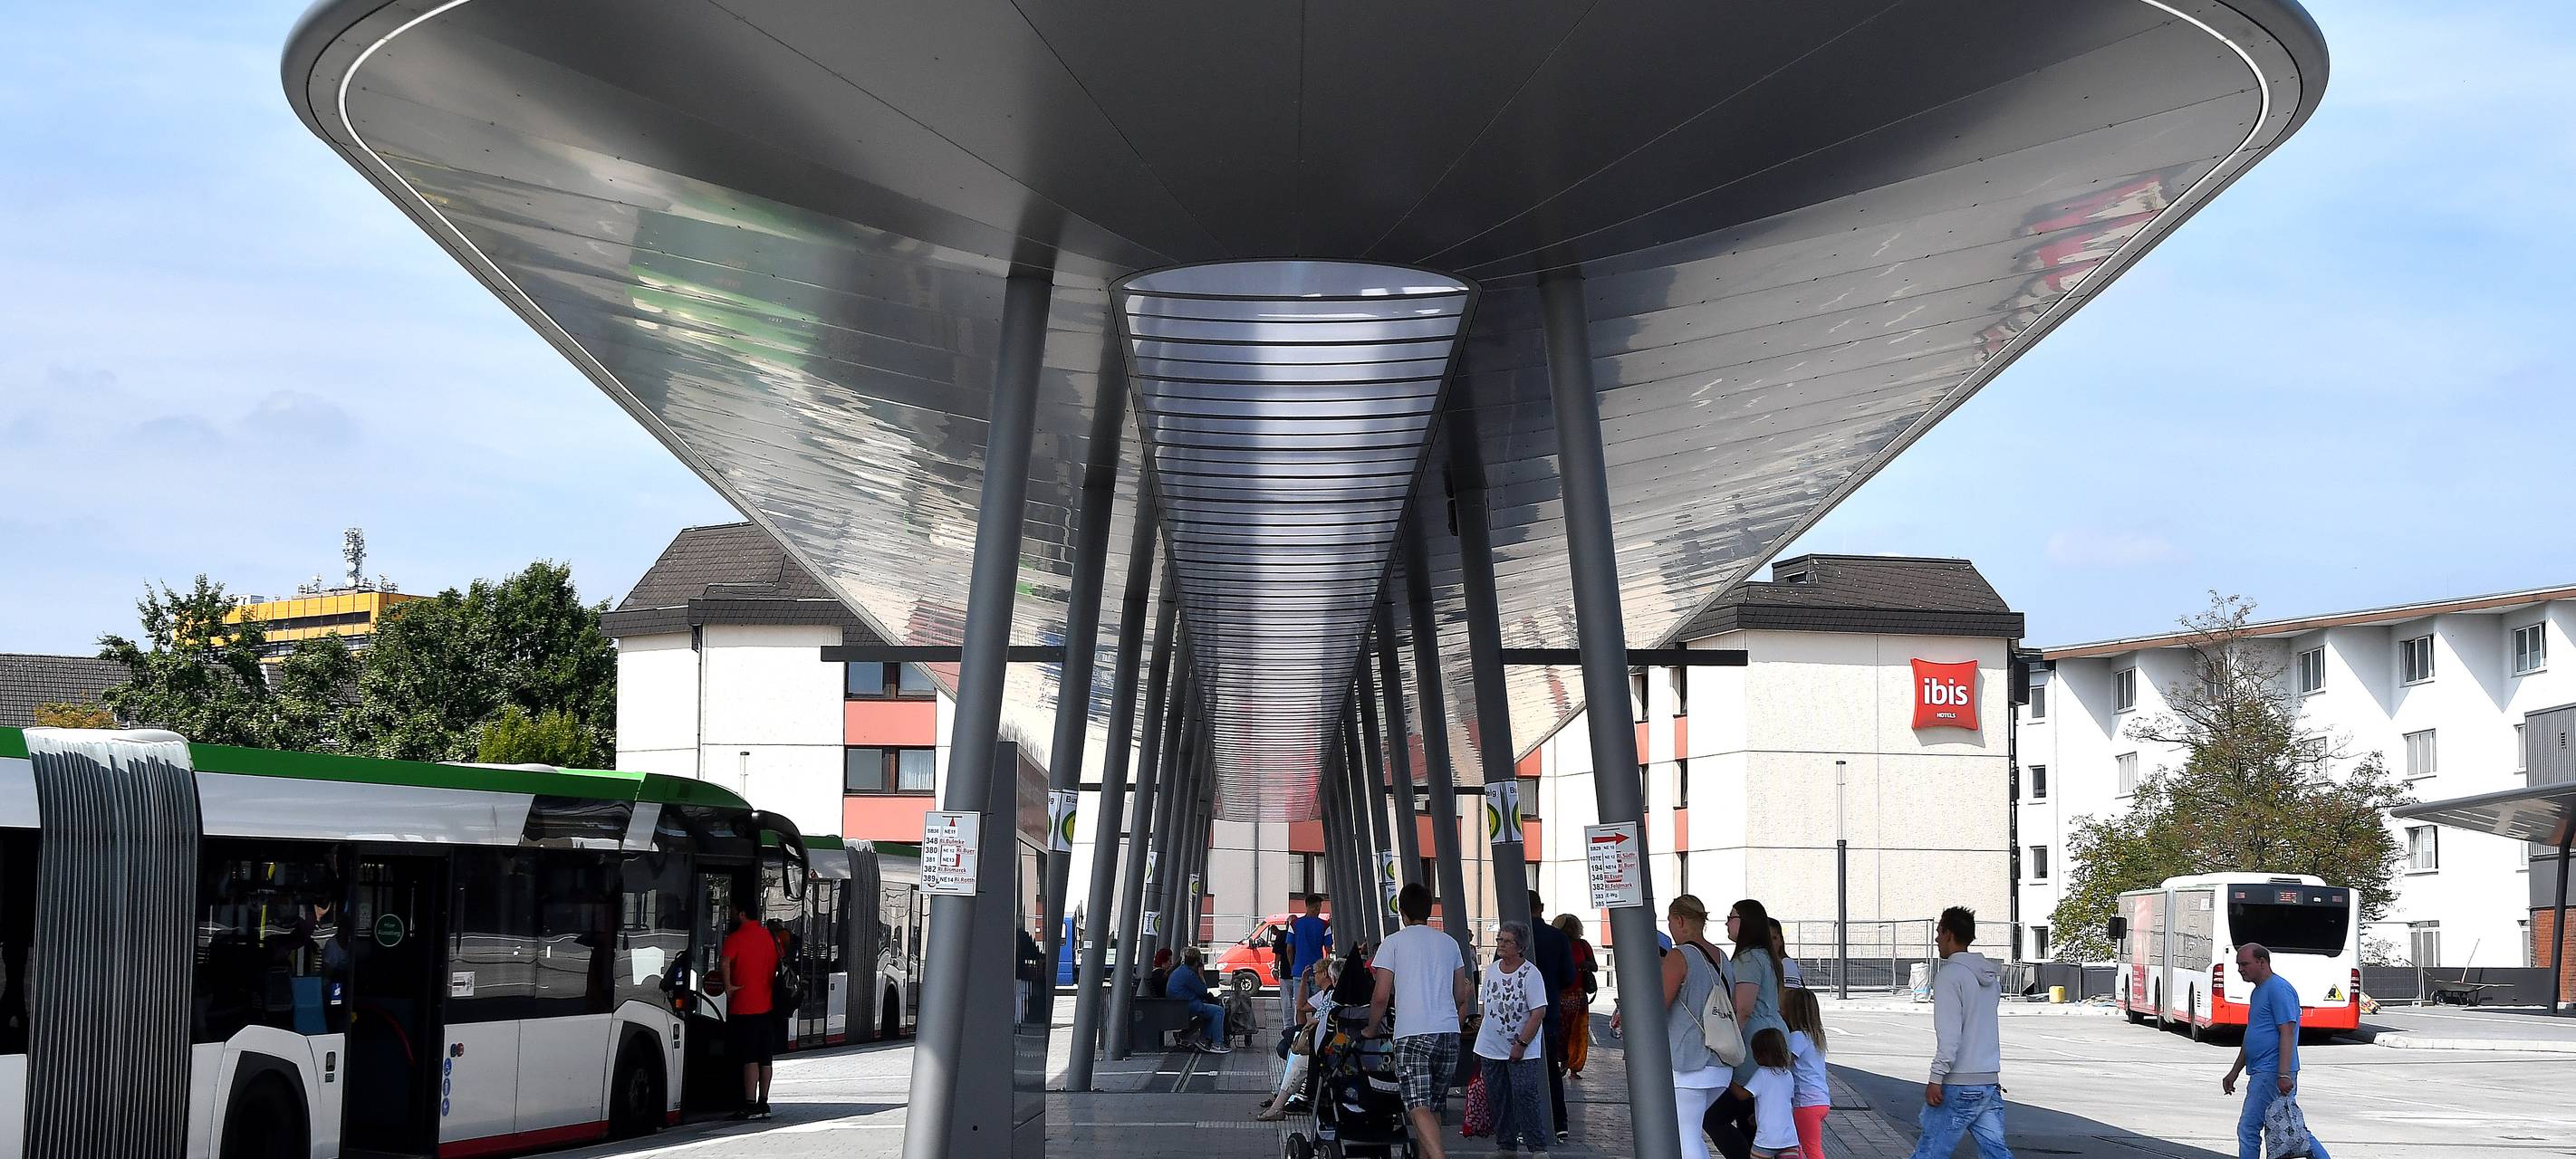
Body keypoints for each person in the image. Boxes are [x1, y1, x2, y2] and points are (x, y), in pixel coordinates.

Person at [1365, 882, 1468, 1159]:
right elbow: (1461, 993)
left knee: (1417, 1105)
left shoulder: (1394, 943)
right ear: (1429, 909)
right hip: (1447, 1033)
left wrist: (1372, 1028)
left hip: (1412, 1034)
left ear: (1402, 912)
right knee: (1433, 1106)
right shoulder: (1450, 943)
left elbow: (1380, 996)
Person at [1906, 906, 2010, 1159]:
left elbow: (1950, 1035)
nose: (1936, 939)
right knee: (1995, 1152)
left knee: (1930, 1152)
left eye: (1939, 932)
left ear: (1949, 934)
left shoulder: (1950, 976)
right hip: (1988, 1080)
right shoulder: (1989, 977)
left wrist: (1936, 1077)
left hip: (1959, 1083)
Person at [2224, 943, 2328, 1159]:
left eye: (2244, 964)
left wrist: (2283, 1074)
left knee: (2249, 1127)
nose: (2240, 969)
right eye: (2238, 965)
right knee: (2291, 1127)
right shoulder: (2259, 991)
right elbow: (2252, 1036)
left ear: (2262, 962)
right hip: (2264, 1070)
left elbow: (2287, 1032)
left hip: (2272, 1072)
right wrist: (2234, 1071)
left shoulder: (2278, 988)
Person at [1706, 898, 1789, 1159]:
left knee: (1715, 1119)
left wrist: (1728, 1046)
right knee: (1749, 1118)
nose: (1727, 923)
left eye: (1732, 917)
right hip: (1770, 1038)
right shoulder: (1765, 955)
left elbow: (1743, 1008)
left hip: (1754, 1044)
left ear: (1746, 923)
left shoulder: (1748, 958)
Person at [1661, 894, 1732, 1159]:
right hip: (1720, 1062)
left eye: (1669, 922)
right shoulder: (1722, 956)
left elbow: (1659, 1006)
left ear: (1679, 920)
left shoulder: (1679, 956)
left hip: (1687, 1061)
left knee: (1684, 1134)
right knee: (1690, 1132)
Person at [1476, 921, 1554, 1158]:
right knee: (1497, 1096)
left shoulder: (1531, 974)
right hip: (1491, 1046)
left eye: (1507, 941)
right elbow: (1485, 1005)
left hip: (1520, 1047)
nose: (1501, 944)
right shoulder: (1491, 970)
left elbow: (1538, 1012)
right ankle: (1506, 1145)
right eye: (1500, 939)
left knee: (1525, 1093)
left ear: (1519, 946)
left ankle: (1537, 1147)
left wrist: (1521, 1043)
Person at [717, 897, 780, 1120]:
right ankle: (764, 1103)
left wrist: (728, 986)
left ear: (742, 914)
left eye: (734, 910)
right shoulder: (768, 937)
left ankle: (749, 1104)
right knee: (765, 1058)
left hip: (745, 1006)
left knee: (749, 1057)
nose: (732, 914)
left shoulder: (735, 939)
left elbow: (724, 962)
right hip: (768, 1005)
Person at [1257, 955, 1340, 1120]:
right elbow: (1301, 1009)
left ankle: (1279, 1105)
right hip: (1346, 1050)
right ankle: (1282, 1101)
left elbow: (1311, 1022)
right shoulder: (1345, 996)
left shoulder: (1333, 996)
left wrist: (1305, 1032)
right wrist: (1303, 982)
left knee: (1295, 1055)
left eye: (1316, 973)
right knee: (1292, 1048)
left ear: (1328, 975)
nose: (1313, 976)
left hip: (1331, 1051)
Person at [1526, 890, 1576, 1141]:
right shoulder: (1558, 938)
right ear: (1542, 907)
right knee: (1551, 1070)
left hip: (1519, 1016)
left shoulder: (1515, 938)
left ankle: (1525, 1123)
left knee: (1520, 1072)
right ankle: (1559, 1122)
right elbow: (1569, 976)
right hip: (1549, 1011)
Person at [1780, 987, 1831, 1159]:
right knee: (1799, 1146)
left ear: (1793, 1012)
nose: (1780, 1010)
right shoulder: (1815, 1036)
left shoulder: (1798, 1037)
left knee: (1811, 1148)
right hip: (1820, 1100)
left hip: (1805, 1102)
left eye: (1784, 1007)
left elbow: (1784, 1063)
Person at [1743, 1029, 1802, 1159]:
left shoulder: (1762, 1074)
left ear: (1760, 1054)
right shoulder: (1788, 1075)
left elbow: (1742, 1095)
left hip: (1766, 1141)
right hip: (1789, 1140)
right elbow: (1782, 1102)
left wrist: (1730, 1079)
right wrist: (1758, 1115)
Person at [1552, 914, 1597, 1078]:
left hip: (1578, 995)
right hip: (1561, 995)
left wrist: (1585, 965)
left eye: (1572, 926)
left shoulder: (1582, 945)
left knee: (1578, 1032)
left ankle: (1574, 1065)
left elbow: (1594, 966)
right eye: (1567, 926)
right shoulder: (1555, 944)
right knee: (1561, 1032)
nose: (1570, 930)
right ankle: (1561, 1059)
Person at [1165, 946, 1233, 1053]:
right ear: (1197, 962)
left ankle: (1203, 1039)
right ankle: (1217, 1044)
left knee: (1210, 1011)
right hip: (1187, 1005)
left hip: (1179, 1004)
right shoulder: (1189, 974)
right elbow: (1203, 991)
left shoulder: (1181, 971)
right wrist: (1201, 976)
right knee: (1218, 1010)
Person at [1287, 894, 1333, 1031]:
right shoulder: (1324, 925)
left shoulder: (1294, 925)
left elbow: (1289, 949)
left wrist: (1293, 966)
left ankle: (1300, 1034)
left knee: (1300, 1007)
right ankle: (1315, 1034)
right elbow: (1329, 948)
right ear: (1311, 907)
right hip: (1318, 972)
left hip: (1299, 971)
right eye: (1317, 908)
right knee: (1317, 1007)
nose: (1318, 910)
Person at [1769, 919, 1805, 990]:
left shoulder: (1786, 964)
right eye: (1766, 938)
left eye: (1774, 938)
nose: (1770, 943)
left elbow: (1791, 997)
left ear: (1781, 941)